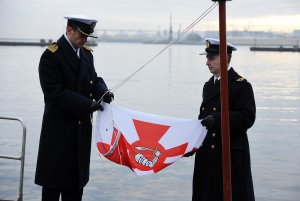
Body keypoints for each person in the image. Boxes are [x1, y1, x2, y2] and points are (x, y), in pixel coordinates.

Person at [35, 15, 114, 201]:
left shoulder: (86, 54)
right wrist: (87, 104)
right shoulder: (51, 55)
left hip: (80, 133)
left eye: (88, 36)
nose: (85, 40)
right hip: (58, 133)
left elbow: (93, 79)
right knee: (53, 186)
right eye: (82, 35)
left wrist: (103, 92)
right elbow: (55, 93)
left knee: (76, 185)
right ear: (69, 30)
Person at [186, 38, 256, 201]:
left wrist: (217, 119)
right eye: (207, 58)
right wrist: (192, 144)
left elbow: (247, 117)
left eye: (211, 58)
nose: (207, 62)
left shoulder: (241, 85)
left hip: (229, 155)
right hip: (207, 155)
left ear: (225, 57)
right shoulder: (208, 86)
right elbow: (202, 120)